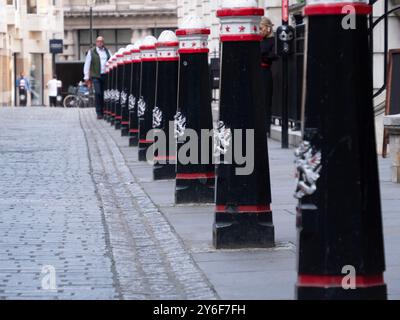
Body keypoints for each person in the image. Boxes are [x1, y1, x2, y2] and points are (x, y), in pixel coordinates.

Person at [84, 36, 112, 119]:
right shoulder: (91, 52)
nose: (99, 43)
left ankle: (104, 111)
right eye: (98, 41)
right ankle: (98, 112)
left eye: (101, 41)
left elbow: (112, 60)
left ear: (103, 43)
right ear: (96, 43)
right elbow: (87, 64)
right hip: (96, 76)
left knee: (104, 94)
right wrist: (86, 77)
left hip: (105, 75)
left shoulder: (108, 52)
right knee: (98, 93)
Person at [260, 17, 278, 136]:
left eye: (261, 28)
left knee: (266, 100)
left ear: (268, 28)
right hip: (256, 72)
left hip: (265, 71)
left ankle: (266, 128)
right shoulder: (257, 40)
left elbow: (273, 55)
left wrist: (263, 55)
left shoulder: (273, 40)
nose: (259, 31)